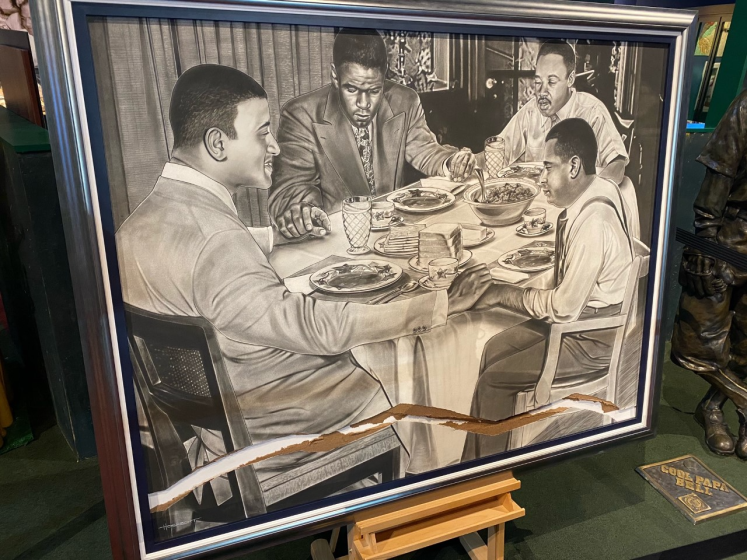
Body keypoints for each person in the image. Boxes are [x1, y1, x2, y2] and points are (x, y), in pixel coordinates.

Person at [116, 64, 492, 502]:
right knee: (393, 370)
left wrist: (270, 236)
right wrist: (435, 304)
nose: (272, 145)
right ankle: (417, 505)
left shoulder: (135, 226)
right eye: (261, 133)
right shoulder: (219, 245)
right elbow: (318, 329)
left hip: (207, 416)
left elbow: (197, 260)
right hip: (265, 427)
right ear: (217, 143)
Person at [462, 118, 633, 459]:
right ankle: (478, 462)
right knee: (492, 350)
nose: (541, 179)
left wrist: (501, 293)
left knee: (492, 382)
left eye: (547, 168)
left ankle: (488, 476)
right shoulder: (597, 187)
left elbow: (564, 307)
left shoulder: (594, 223)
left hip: (590, 336)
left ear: (574, 166)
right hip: (580, 320)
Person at [268, 28, 476, 238]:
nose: (364, 104)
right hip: (339, 240)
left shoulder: (405, 100)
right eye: (352, 89)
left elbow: (426, 150)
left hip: (395, 234)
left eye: (374, 91)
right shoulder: (301, 114)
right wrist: (302, 210)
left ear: (384, 78)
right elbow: (291, 187)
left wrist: (451, 163)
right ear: (335, 76)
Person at [671, 89, 747, 459]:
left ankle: (716, 408)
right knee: (698, 342)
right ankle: (744, 402)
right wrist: (704, 240)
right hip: (731, 235)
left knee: (746, 342)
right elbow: (719, 173)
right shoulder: (746, 106)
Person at [495, 39, 628, 185]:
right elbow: (497, 153)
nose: (541, 92)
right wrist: (471, 160)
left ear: (570, 79)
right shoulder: (530, 111)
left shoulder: (593, 112)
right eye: (538, 82)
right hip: (537, 201)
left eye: (551, 82)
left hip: (578, 202)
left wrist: (589, 190)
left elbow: (618, 165)